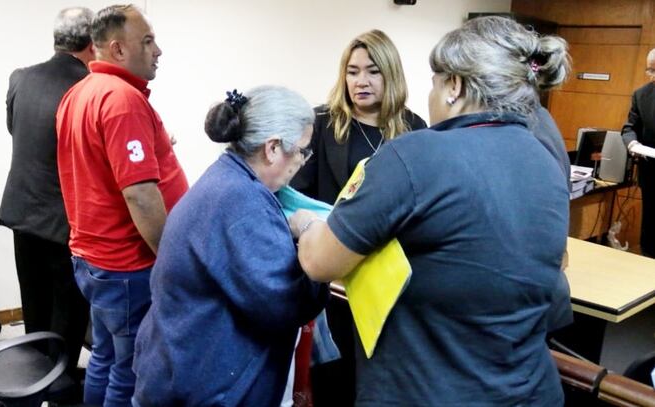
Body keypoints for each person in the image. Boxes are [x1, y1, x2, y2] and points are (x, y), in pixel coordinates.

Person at [291, 16, 571, 405]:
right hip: (527, 389)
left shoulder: (415, 151)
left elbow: (321, 263)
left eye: (436, 83)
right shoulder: (544, 160)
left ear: (454, 86)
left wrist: (305, 223)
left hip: (429, 390)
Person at [133, 86, 329, 407]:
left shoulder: (225, 179)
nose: (303, 163)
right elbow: (286, 305)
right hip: (206, 386)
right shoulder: (243, 203)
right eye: (302, 152)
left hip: (178, 368)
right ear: (273, 148)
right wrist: (311, 235)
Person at [55, 5, 188, 406]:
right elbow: (140, 193)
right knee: (130, 371)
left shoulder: (79, 94)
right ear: (117, 49)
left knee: (105, 357)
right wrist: (171, 258)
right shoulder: (122, 100)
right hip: (126, 265)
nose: (158, 51)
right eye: (147, 41)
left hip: (95, 260)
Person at [289, 28, 426, 405]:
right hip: (332, 274)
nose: (360, 81)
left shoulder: (414, 130)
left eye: (372, 71)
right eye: (352, 71)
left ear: (391, 74)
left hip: (387, 279)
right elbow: (295, 194)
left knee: (378, 378)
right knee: (334, 378)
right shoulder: (321, 122)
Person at [0, 7, 93, 399]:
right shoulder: (90, 89)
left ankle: (30, 388)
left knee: (33, 311)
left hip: (24, 214)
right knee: (68, 325)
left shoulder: (21, 78)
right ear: (93, 43)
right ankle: (58, 392)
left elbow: (14, 129)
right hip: (68, 224)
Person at [621, 48, 655, 258]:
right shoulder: (641, 94)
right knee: (651, 225)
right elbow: (629, 127)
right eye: (650, 70)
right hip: (651, 172)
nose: (652, 76)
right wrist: (632, 144)